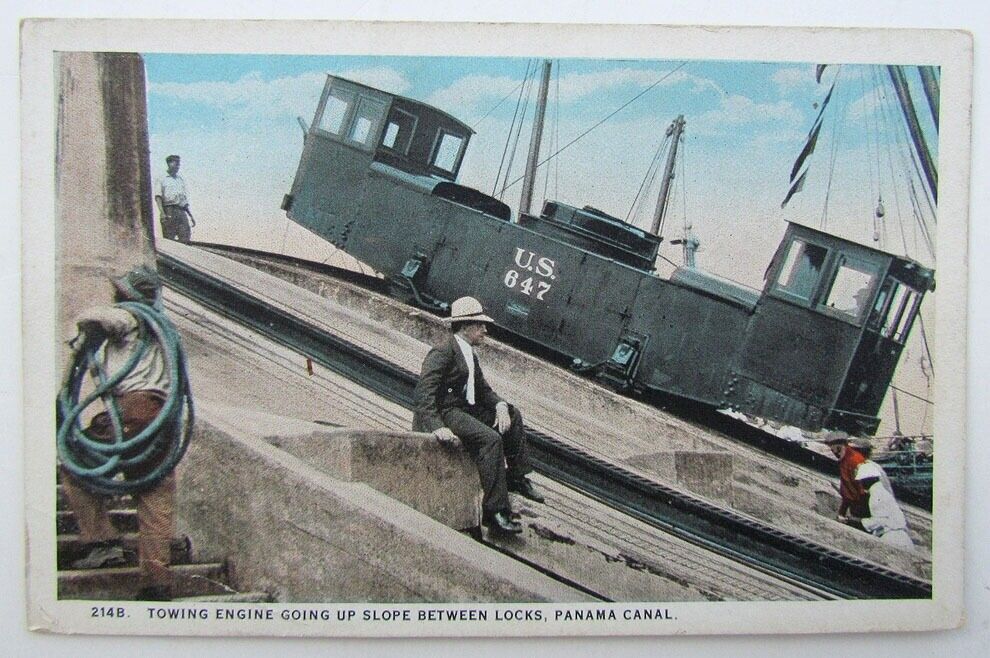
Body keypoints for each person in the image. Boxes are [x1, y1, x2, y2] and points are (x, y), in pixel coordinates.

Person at [59, 265, 189, 600]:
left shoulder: (131, 319)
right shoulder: (165, 330)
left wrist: (85, 330)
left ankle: (102, 541)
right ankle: (156, 583)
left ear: (127, 295)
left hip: (133, 410)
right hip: (162, 419)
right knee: (154, 495)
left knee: (74, 468)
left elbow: (101, 318)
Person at [413, 296, 543, 537]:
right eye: (480, 325)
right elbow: (424, 394)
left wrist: (501, 406)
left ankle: (516, 476)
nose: (485, 330)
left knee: (513, 414)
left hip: (465, 409)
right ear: (465, 326)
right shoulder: (443, 352)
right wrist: (436, 426)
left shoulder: (469, 354)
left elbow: (483, 391)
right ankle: (495, 512)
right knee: (490, 439)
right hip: (448, 412)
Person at [849, 461, 915, 551]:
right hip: (900, 538)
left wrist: (855, 521)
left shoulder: (876, 495)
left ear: (868, 480)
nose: (861, 484)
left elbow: (879, 521)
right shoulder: (881, 491)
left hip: (893, 539)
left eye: (862, 481)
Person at [823, 430, 869, 522]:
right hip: (855, 504)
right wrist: (841, 513)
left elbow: (862, 489)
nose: (834, 453)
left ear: (839, 447)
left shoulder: (855, 460)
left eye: (834, 450)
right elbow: (847, 492)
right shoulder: (844, 460)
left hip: (864, 506)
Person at [155, 154, 195, 242]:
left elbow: (183, 200)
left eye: (179, 164)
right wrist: (162, 213)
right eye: (176, 164)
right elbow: (158, 196)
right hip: (169, 210)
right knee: (169, 239)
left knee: (185, 237)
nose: (178, 166)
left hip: (181, 211)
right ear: (169, 164)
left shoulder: (180, 179)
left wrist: (190, 215)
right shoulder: (162, 178)